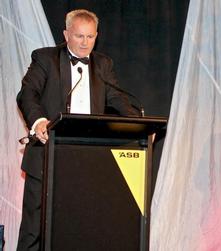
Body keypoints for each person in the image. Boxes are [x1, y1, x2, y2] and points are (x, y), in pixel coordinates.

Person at [16, 9, 139, 250]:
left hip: (86, 159)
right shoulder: (45, 58)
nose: (85, 43)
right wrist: (39, 121)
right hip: (46, 157)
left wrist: (137, 123)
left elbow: (117, 99)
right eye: (79, 36)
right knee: (34, 230)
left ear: (97, 36)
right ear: (66, 34)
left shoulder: (103, 64)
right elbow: (28, 94)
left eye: (90, 37)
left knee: (78, 225)